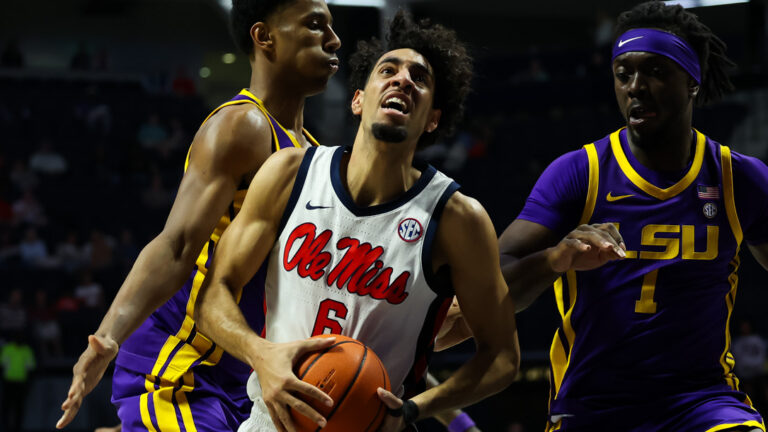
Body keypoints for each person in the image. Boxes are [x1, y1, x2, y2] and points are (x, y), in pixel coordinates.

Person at [439, 2, 768, 431]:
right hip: (593, 406)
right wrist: (555, 258)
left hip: (701, 400)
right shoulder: (580, 172)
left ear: (691, 80)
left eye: (654, 71)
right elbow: (493, 282)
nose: (636, 86)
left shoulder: (737, 178)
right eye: (623, 73)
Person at [194, 11, 520, 432]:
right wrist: (260, 354)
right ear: (358, 99)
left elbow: (502, 356)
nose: (403, 80)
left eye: (419, 78)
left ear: (433, 119)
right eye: (388, 70)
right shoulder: (289, 173)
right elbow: (212, 296)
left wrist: (415, 408)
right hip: (271, 422)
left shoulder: (458, 219)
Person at [56, 0, 341, 430]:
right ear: (264, 37)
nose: (334, 40)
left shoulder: (314, 154)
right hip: (181, 360)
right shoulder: (242, 126)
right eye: (315, 25)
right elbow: (175, 246)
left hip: (243, 373)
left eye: (332, 28)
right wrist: (107, 338)